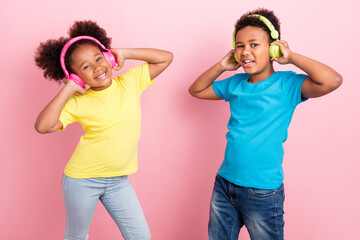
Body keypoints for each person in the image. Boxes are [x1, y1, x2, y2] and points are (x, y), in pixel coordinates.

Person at [188, 8, 342, 240]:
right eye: (240, 45)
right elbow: (196, 90)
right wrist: (221, 66)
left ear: (272, 48)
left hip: (262, 191)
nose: (245, 52)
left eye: (254, 44)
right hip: (224, 183)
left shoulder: (288, 84)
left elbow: (333, 80)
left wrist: (291, 57)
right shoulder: (235, 83)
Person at [34, 20, 173, 240]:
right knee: (77, 236)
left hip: (118, 181)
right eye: (86, 67)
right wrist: (70, 87)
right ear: (77, 75)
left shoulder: (130, 82)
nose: (97, 68)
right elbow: (42, 126)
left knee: (141, 236)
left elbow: (166, 57)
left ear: (107, 57)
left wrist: (123, 53)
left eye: (99, 58)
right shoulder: (77, 102)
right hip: (82, 180)